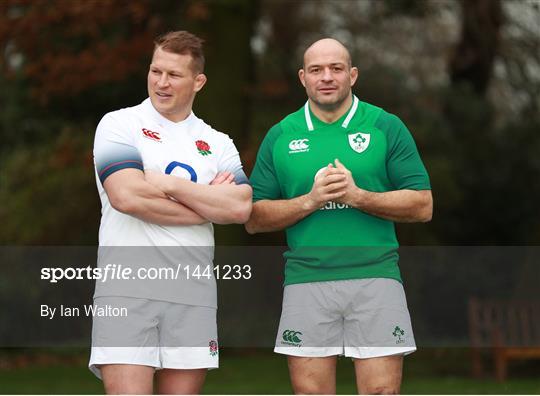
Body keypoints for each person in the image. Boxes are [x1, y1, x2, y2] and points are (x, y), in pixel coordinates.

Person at [246, 38, 432, 394]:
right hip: (306, 279)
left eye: (336, 68)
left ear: (353, 75)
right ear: (303, 77)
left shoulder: (384, 126)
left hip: (376, 276)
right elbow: (254, 218)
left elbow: (423, 205)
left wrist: (358, 196)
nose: (326, 77)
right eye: (316, 70)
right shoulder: (281, 135)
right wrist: (310, 200)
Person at [90, 31, 252, 394]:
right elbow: (128, 197)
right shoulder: (119, 125)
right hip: (127, 291)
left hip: (193, 295)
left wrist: (169, 184)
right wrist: (206, 205)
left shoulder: (218, 142)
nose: (161, 83)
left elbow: (241, 206)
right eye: (155, 71)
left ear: (198, 82)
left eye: (174, 75)